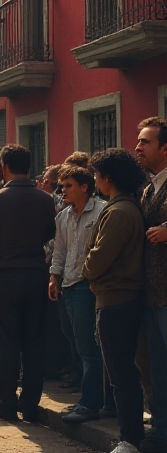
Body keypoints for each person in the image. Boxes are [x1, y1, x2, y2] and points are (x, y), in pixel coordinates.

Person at [0, 144, 57, 422]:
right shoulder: (46, 199)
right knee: (34, 341)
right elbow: (49, 233)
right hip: (36, 275)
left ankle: (7, 402)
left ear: (5, 167)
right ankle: (30, 404)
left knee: (5, 342)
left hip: (6, 275)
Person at [84, 148, 148, 453]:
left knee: (121, 373)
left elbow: (98, 258)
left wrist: (86, 268)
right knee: (122, 371)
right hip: (119, 297)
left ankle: (129, 439)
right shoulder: (123, 207)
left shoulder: (119, 211)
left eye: (96, 175)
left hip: (117, 299)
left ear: (106, 178)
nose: (96, 180)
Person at [48, 164, 108, 423]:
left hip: (88, 285)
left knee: (88, 347)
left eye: (68, 185)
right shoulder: (63, 216)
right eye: (61, 186)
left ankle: (90, 403)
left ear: (85, 187)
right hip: (67, 285)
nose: (63, 190)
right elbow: (59, 250)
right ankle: (96, 399)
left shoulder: (102, 212)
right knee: (73, 338)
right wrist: (54, 277)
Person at [138, 117, 167, 453]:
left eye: (145, 142)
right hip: (150, 292)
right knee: (156, 366)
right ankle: (161, 425)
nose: (138, 147)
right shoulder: (148, 187)